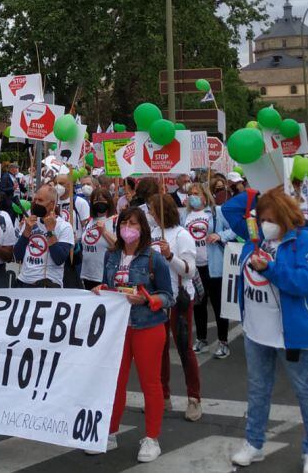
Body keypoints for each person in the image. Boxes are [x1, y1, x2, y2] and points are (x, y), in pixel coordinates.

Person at [221, 187, 308, 473]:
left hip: (291, 333)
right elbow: (229, 209)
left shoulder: (303, 240)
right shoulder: (256, 237)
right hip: (256, 331)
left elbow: (305, 282)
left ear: (283, 217)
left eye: (270, 218)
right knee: (257, 389)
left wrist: (269, 269)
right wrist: (254, 190)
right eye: (260, 217)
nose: (264, 223)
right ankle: (254, 443)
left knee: (306, 390)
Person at [89, 207, 173, 462]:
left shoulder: (153, 259)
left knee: (150, 384)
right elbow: (111, 285)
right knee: (114, 383)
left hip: (148, 327)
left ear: (143, 229)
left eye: (134, 224)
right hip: (118, 328)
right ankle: (110, 432)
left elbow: (168, 296)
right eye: (124, 222)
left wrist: (148, 299)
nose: (128, 228)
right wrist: (101, 289)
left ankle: (151, 438)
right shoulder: (112, 256)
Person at [148, 192, 202, 421]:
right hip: (158, 299)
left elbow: (190, 271)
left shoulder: (182, 236)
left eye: (152, 209)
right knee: (158, 351)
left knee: (184, 349)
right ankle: (163, 396)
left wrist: (170, 256)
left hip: (179, 299)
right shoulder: (152, 234)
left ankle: (194, 398)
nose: (149, 213)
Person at [183, 182, 236, 359]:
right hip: (194, 267)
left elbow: (234, 229)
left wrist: (219, 235)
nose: (192, 196)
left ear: (205, 196)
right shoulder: (186, 215)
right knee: (198, 304)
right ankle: (202, 339)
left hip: (214, 266)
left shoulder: (216, 212)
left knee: (218, 305)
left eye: (196, 193)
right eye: (190, 193)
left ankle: (223, 341)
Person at [14, 185, 74, 288]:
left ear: (52, 204)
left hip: (48, 286)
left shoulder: (64, 226)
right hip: (24, 282)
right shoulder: (30, 222)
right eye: (35, 199)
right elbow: (17, 255)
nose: (36, 203)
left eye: (40, 200)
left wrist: (50, 231)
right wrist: (26, 232)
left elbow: (59, 259)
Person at [80, 188, 117, 289]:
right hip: (87, 274)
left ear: (109, 201)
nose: (99, 203)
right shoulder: (89, 221)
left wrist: (104, 232)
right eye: (95, 200)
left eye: (102, 199)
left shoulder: (115, 220)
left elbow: (120, 246)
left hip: (104, 275)